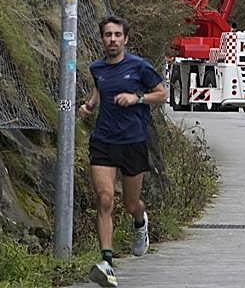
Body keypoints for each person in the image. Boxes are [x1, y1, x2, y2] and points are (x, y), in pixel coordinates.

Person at [78, 15, 167, 287]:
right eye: (108, 35)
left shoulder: (139, 67)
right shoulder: (97, 68)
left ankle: (140, 221)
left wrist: (136, 98)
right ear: (102, 39)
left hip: (133, 141)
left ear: (125, 39)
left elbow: (161, 94)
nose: (113, 39)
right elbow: (99, 89)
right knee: (105, 199)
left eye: (117, 35)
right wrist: (89, 106)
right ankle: (107, 263)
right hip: (103, 141)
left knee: (130, 204)